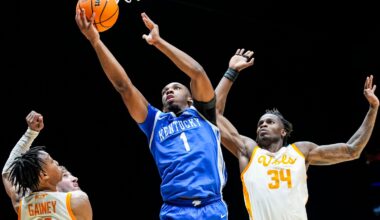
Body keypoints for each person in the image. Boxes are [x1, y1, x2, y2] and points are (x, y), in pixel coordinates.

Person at [75, 7, 254, 219]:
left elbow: (197, 72)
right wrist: (95, 41)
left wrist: (159, 43)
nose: (168, 90)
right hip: (175, 210)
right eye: (164, 91)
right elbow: (124, 86)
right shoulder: (155, 122)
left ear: (190, 98)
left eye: (175, 87)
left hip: (212, 206)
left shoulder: (204, 114)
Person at [215, 53, 379, 219]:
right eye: (260, 124)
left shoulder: (300, 151)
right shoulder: (249, 151)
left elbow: (352, 150)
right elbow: (213, 115)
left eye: (270, 122)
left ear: (283, 131)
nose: (263, 125)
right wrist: (231, 72)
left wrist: (373, 109)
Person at [2, 110, 86, 219]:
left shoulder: (22, 203)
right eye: (64, 175)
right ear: (44, 176)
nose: (74, 178)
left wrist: (30, 133)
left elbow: (8, 172)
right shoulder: (78, 201)